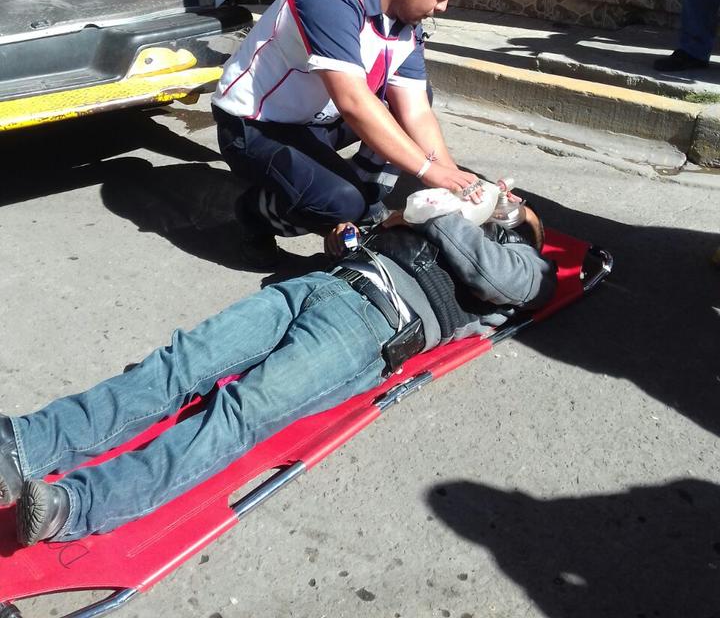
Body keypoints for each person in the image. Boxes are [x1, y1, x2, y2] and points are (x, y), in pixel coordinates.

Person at [0, 193, 556, 546]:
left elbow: (493, 279)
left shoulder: (528, 265)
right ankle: (25, 443)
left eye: (513, 199)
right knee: (180, 362)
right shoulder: (433, 217)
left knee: (241, 411)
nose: (500, 193)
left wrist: (448, 212)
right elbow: (371, 231)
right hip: (318, 286)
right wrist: (360, 233)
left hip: (373, 326)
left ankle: (78, 507)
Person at [212, 0, 483, 269]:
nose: (443, 8)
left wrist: (453, 181)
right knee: (341, 203)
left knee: (411, 104)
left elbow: (415, 111)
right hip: (255, 126)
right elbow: (353, 101)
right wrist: (428, 170)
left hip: (315, 120)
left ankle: (363, 203)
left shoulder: (404, 25)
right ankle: (254, 215)